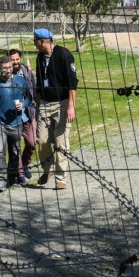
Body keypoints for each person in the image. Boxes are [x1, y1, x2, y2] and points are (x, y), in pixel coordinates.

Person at [33, 28, 77, 189]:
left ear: (42, 41)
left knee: (61, 142)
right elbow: (39, 82)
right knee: (42, 140)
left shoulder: (64, 55)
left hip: (62, 103)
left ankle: (61, 178)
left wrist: (71, 106)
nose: (34, 44)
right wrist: (38, 105)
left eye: (35, 41)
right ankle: (47, 169)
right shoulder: (39, 57)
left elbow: (73, 83)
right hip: (44, 103)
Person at [0, 55, 31, 193]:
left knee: (15, 152)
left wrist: (23, 105)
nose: (8, 70)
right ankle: (1, 180)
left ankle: (12, 177)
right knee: (0, 151)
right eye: (5, 68)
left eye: (10, 67)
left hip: (16, 122)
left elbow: (29, 98)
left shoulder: (20, 81)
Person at [9, 48, 37, 180]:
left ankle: (25, 164)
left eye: (17, 59)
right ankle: (20, 173)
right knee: (16, 146)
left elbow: (35, 90)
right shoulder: (5, 75)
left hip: (28, 113)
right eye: (12, 60)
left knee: (31, 143)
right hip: (12, 116)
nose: (15, 62)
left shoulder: (27, 72)